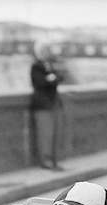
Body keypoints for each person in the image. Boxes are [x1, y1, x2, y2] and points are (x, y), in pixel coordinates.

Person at [30, 41, 64, 170]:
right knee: (45, 134)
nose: (47, 53)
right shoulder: (36, 66)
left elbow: (60, 78)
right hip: (42, 106)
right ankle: (46, 162)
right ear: (39, 52)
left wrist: (52, 78)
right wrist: (51, 79)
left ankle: (54, 161)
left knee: (54, 134)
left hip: (53, 104)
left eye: (48, 50)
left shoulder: (49, 65)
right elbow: (41, 82)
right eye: (45, 50)